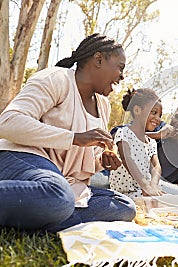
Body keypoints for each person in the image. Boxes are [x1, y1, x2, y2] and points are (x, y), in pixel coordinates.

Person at [0, 33, 136, 232]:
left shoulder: (103, 105)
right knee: (59, 196)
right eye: (120, 67)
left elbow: (80, 157)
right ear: (98, 59)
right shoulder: (57, 78)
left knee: (124, 208)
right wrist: (75, 138)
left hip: (61, 181)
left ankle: (40, 215)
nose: (122, 76)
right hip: (22, 159)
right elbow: (8, 122)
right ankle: (49, 211)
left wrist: (101, 160)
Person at [109, 88, 164, 199]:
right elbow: (127, 159)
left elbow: (156, 166)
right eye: (154, 113)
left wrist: (153, 184)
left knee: (176, 198)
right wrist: (146, 186)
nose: (157, 119)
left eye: (160, 115)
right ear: (137, 110)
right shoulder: (124, 133)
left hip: (143, 189)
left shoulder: (151, 142)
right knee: (156, 202)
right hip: (125, 193)